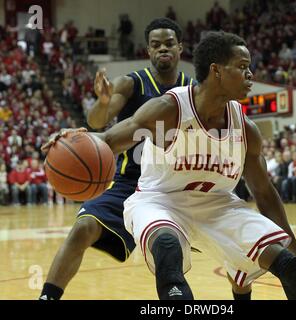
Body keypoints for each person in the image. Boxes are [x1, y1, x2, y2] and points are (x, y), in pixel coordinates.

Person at [44, 31, 296, 300]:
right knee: (166, 246)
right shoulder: (169, 108)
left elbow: (264, 191)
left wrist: (294, 246)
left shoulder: (247, 130)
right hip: (159, 200)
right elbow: (108, 140)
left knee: (290, 266)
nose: (250, 75)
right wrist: (73, 138)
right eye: (243, 67)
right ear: (217, 71)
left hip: (218, 205)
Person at [39, 18, 195, 300]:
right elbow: (97, 121)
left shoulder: (194, 90)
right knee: (82, 228)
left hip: (177, 186)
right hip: (129, 183)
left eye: (169, 43)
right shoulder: (131, 83)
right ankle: (47, 297)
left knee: (170, 249)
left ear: (180, 48)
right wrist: (102, 102)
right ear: (147, 51)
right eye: (156, 45)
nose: (163, 49)